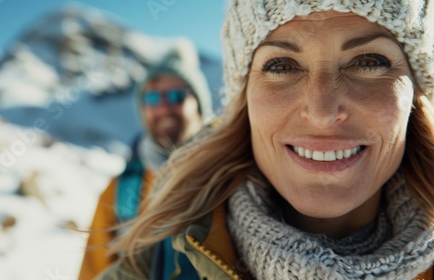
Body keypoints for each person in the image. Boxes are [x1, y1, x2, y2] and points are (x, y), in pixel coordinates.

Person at [98, 0, 434, 279]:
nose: (321, 112)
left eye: (368, 62)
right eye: (282, 65)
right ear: (243, 100)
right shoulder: (159, 261)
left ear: (416, 92)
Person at [78, 39, 213, 280]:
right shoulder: (119, 192)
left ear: (199, 104)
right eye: (152, 98)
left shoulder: (229, 175)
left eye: (175, 96)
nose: (163, 108)